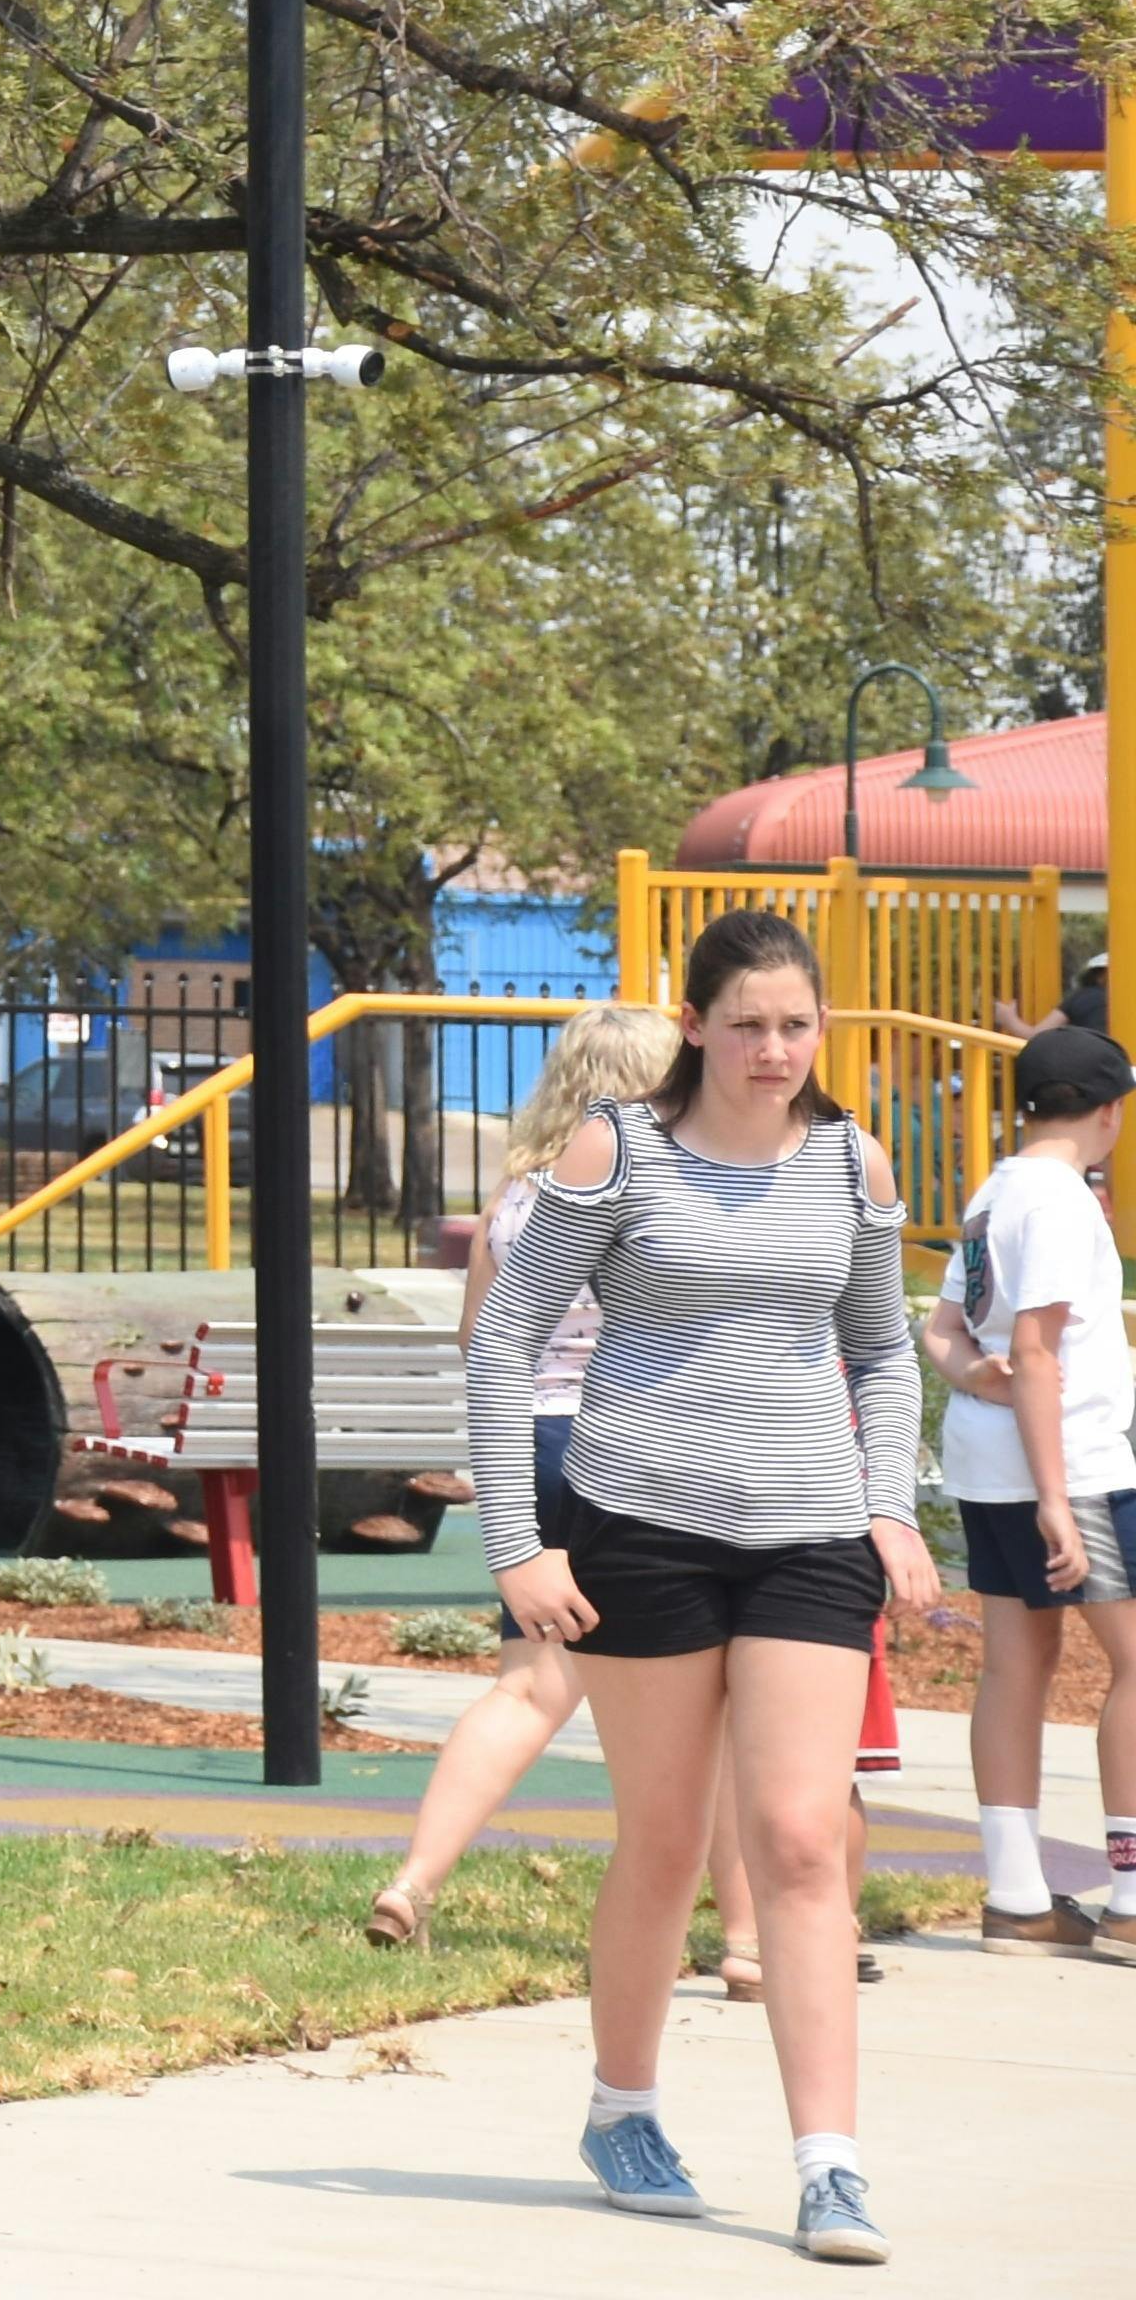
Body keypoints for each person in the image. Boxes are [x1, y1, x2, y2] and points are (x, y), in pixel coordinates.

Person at [468, 907, 932, 2260]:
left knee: (797, 1841)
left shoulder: (854, 1161)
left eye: (796, 1025)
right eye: (747, 1027)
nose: (774, 1049)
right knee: (666, 1843)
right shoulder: (618, 1152)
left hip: (808, 1535)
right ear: (696, 1026)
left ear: (822, 1028)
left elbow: (883, 1350)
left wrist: (888, 1509)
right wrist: (519, 1541)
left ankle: (831, 2166)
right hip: (641, 1530)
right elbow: (505, 1343)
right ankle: (622, 2108)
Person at [366, 998, 689, 1947]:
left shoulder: (518, 1195)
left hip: (530, 1443)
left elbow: (482, 1339)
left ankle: (414, 1882)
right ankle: (751, 1934)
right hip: (630, 1445)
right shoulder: (656, 1186)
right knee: (690, 1693)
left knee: (527, 1688)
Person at [937, 1014, 1135, 1950]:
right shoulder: (1061, 1201)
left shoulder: (996, 1192)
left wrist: (976, 1380)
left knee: (1017, 1664)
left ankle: (1018, 1894)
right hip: (1075, 1465)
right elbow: (1036, 1348)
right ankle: (1132, 1896)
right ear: (1108, 1112)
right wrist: (1059, 1497)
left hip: (989, 1459)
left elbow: (947, 1331)